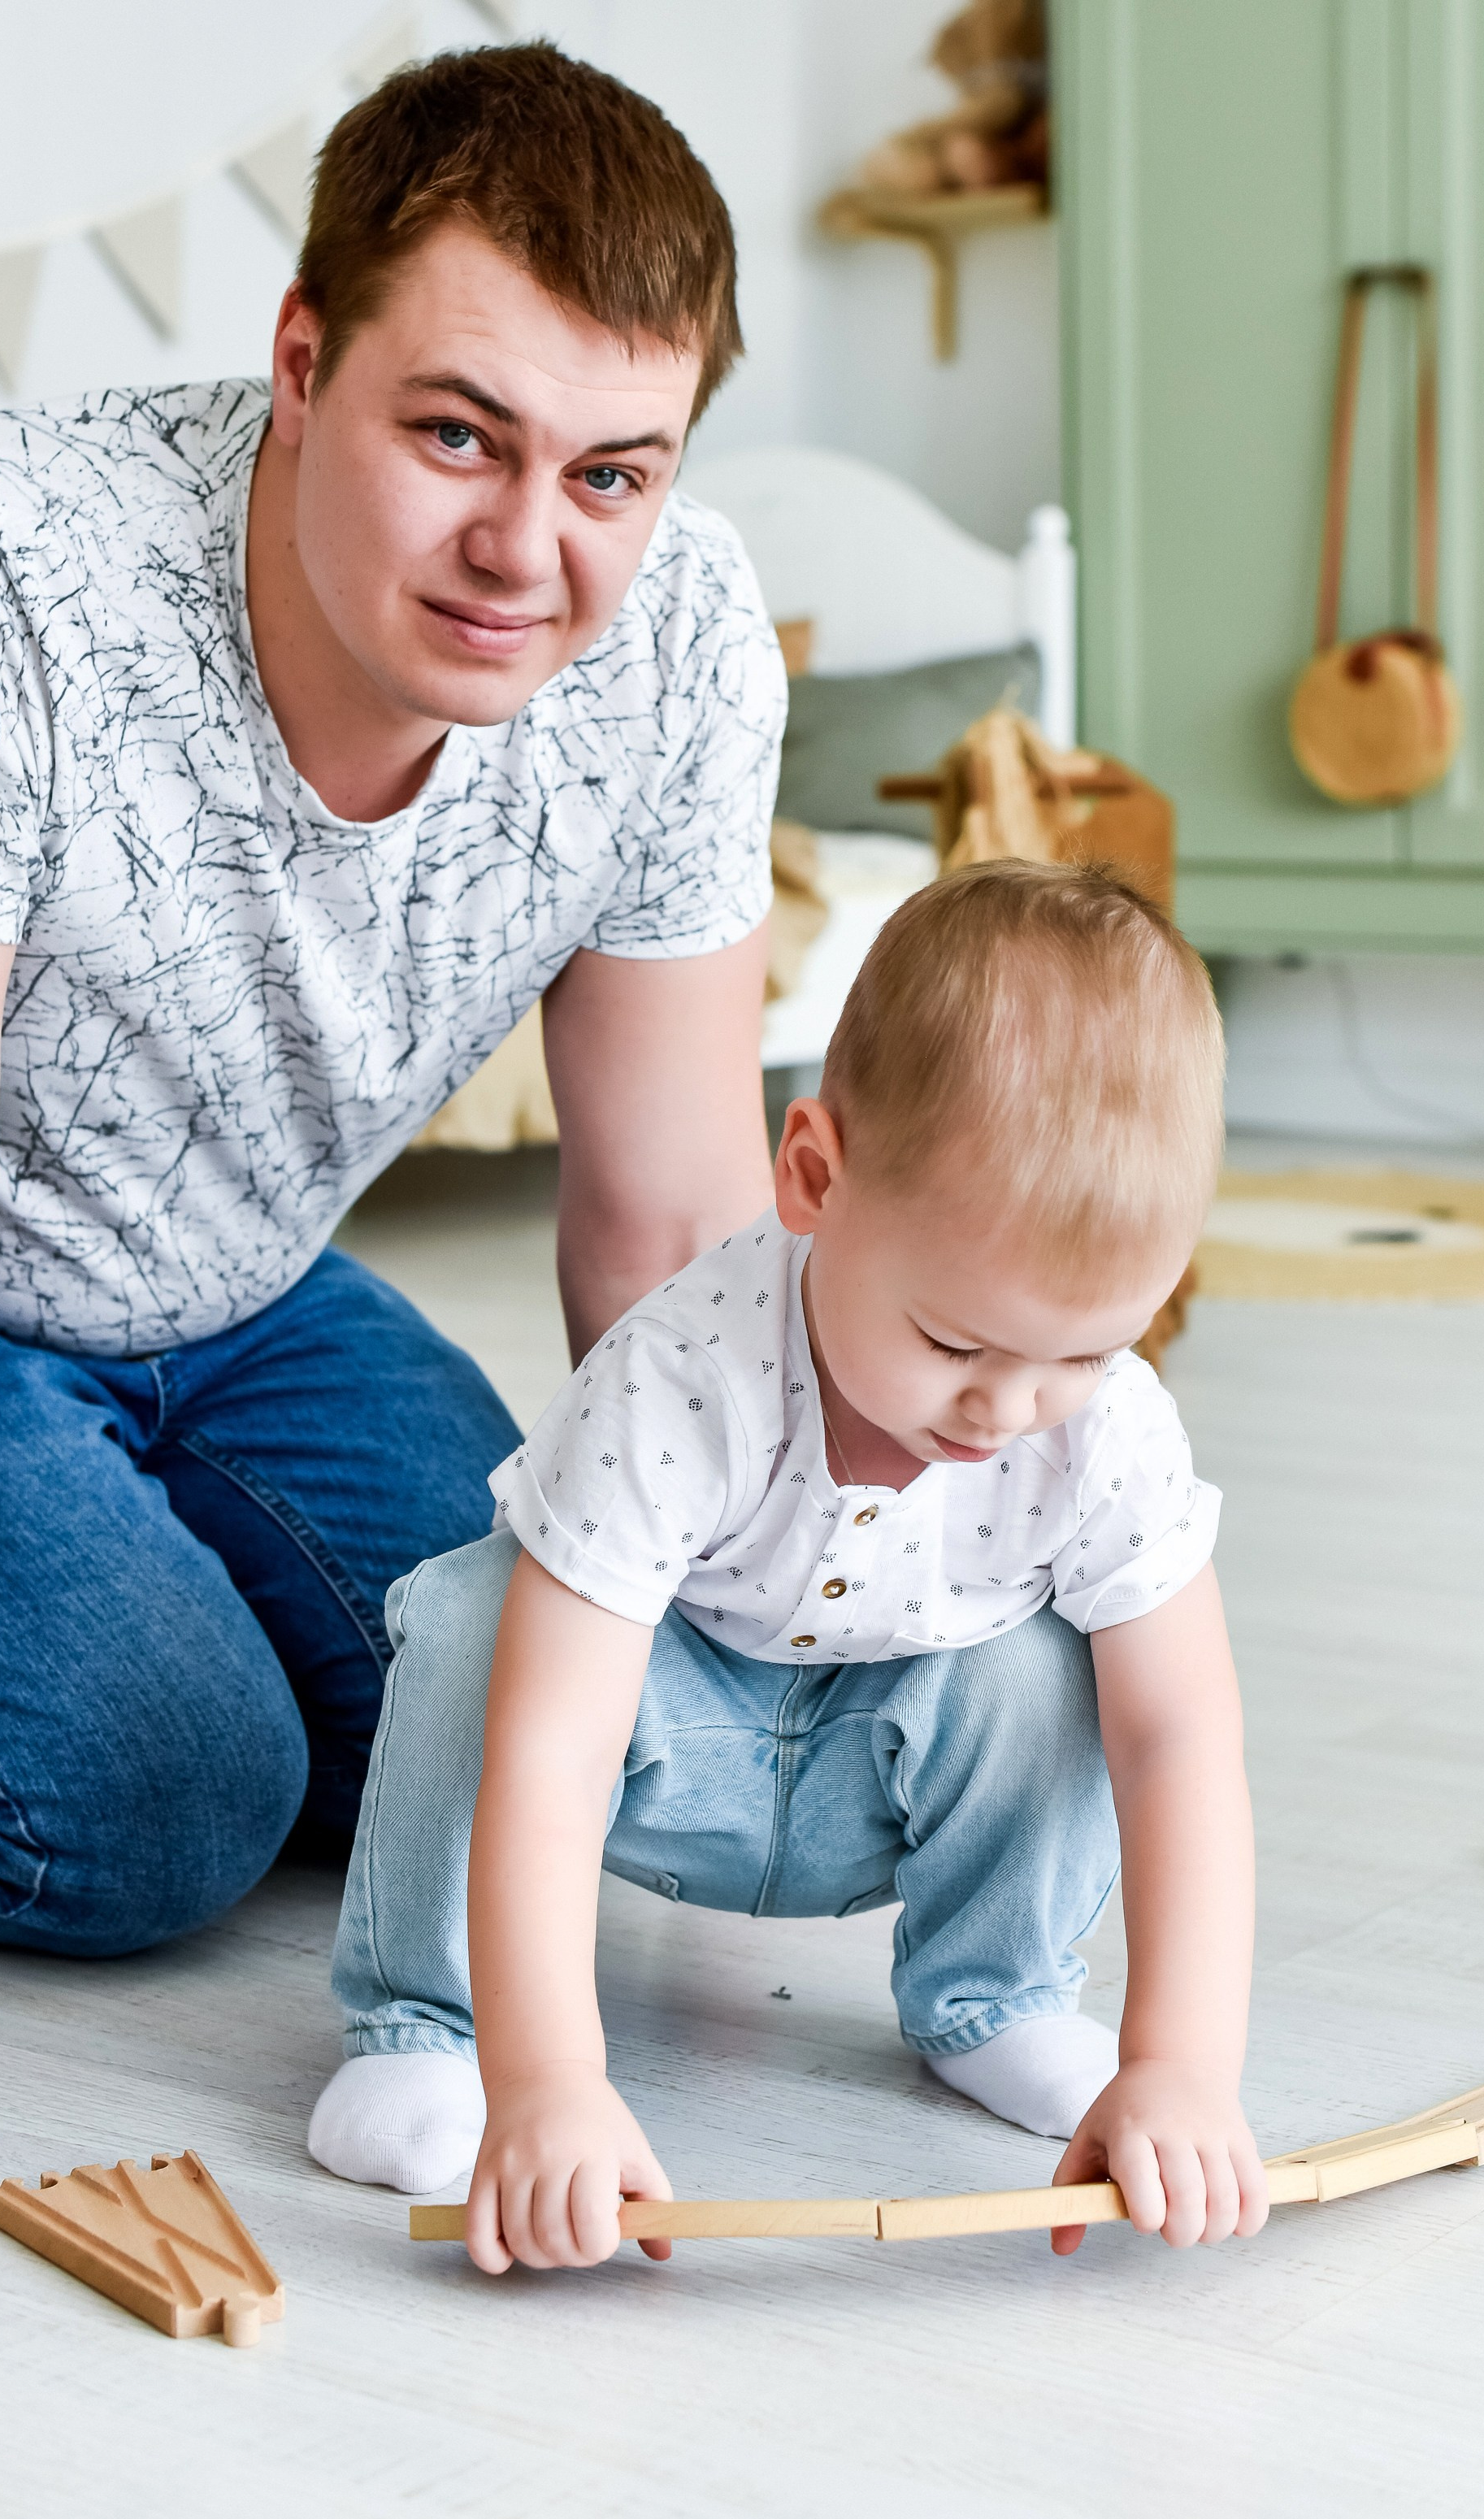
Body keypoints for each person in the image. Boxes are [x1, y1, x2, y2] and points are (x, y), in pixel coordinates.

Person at [0, 44, 787, 2132]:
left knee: (522, 1722)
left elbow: (676, 1227)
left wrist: (786, 1712)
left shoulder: (682, 641)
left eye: (612, 471)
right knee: (155, 1807)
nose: (530, 549)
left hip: (236, 1291)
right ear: (304, 362)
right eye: (456, 434)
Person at [310, 861, 1269, 2263]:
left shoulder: (1105, 1430)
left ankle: (993, 1994)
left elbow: (1183, 1734)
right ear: (813, 1175)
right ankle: (425, 2022)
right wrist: (553, 2085)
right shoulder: (680, 1377)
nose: (1007, 1409)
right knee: (473, 1618)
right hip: (670, 1759)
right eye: (955, 1343)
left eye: (1082, 1352)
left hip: (878, 1768)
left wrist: (1181, 2064)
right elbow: (556, 1742)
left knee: (1074, 1667)